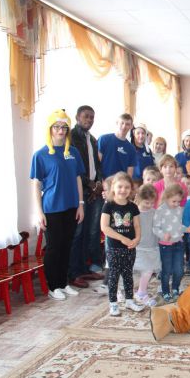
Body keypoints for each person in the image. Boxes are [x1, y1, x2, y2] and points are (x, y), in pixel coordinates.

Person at [31, 109, 85, 301]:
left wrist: (80, 204)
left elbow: (78, 178)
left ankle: (63, 283)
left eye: (64, 127)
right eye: (57, 127)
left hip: (71, 207)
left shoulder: (73, 152)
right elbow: (36, 185)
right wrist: (39, 212)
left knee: (67, 246)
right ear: (50, 129)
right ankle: (53, 287)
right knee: (54, 248)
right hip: (52, 208)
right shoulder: (40, 155)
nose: (61, 131)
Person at [69, 105, 105, 288]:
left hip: (93, 191)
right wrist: (89, 184)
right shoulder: (70, 137)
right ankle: (73, 273)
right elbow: (73, 167)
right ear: (77, 117)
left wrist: (98, 184)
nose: (89, 120)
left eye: (92, 117)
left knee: (91, 232)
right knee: (77, 233)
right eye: (86, 116)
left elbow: (97, 166)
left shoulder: (92, 139)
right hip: (78, 191)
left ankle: (84, 268)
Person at [100, 172, 145, 316]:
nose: (123, 190)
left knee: (128, 274)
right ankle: (113, 303)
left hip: (130, 247)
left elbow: (137, 225)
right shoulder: (108, 206)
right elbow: (104, 227)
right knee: (113, 276)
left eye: (127, 187)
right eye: (120, 187)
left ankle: (129, 300)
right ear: (113, 187)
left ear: (131, 189)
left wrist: (137, 239)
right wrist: (122, 239)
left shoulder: (133, 207)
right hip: (114, 248)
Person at [154, 184, 190, 303]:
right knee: (166, 270)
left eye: (178, 202)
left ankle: (175, 288)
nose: (176, 204)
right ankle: (165, 291)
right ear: (166, 197)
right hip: (165, 245)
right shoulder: (160, 210)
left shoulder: (180, 210)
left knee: (179, 269)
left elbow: (179, 226)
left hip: (178, 243)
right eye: (174, 201)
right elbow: (155, 228)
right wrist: (163, 235)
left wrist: (187, 229)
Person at [133, 184, 160, 307]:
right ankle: (124, 291)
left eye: (152, 203)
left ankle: (141, 292)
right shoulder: (134, 212)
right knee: (131, 270)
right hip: (138, 246)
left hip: (151, 246)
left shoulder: (155, 212)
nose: (149, 205)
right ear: (139, 198)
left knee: (148, 270)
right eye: (146, 203)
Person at [98, 113, 137, 179]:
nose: (124, 126)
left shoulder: (131, 148)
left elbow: (129, 172)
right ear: (117, 123)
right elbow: (97, 163)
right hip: (104, 181)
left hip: (120, 183)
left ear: (131, 126)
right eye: (122, 123)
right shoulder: (104, 139)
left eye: (127, 124)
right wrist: (100, 180)